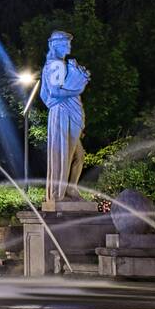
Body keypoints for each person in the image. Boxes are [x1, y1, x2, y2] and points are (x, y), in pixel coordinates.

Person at [39, 30, 90, 204]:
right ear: (56, 45)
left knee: (78, 156)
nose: (69, 47)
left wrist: (53, 104)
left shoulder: (54, 64)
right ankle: (60, 193)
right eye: (66, 44)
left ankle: (70, 188)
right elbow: (53, 91)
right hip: (64, 114)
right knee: (67, 154)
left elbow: (44, 95)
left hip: (63, 112)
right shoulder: (56, 65)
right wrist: (78, 89)